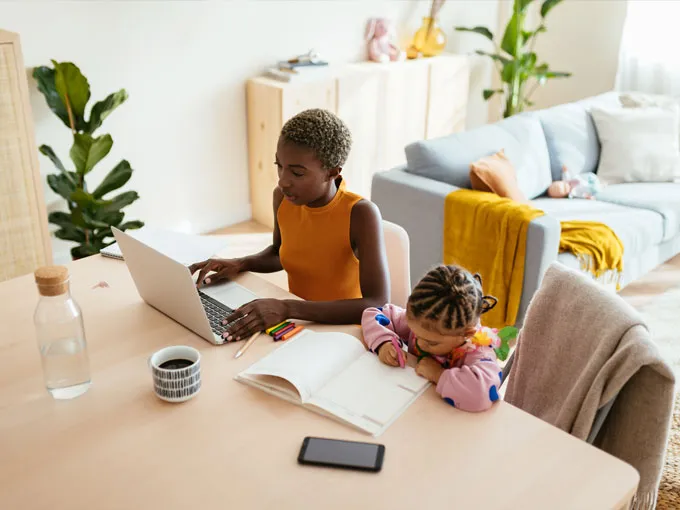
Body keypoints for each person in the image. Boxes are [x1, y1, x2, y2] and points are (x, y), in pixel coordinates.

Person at [189, 108, 390, 341]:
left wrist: (288, 308)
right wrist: (240, 263)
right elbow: (279, 252)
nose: (283, 181)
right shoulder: (283, 198)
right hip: (299, 325)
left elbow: (377, 303)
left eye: (297, 173)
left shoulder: (360, 214)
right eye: (279, 166)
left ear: (332, 173)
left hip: (345, 333)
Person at [362, 264, 503, 412]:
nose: (420, 344)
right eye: (416, 334)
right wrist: (383, 343)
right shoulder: (425, 322)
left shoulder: (480, 352)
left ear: (467, 334)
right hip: (408, 406)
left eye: (431, 343)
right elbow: (374, 314)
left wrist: (438, 375)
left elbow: (482, 394)